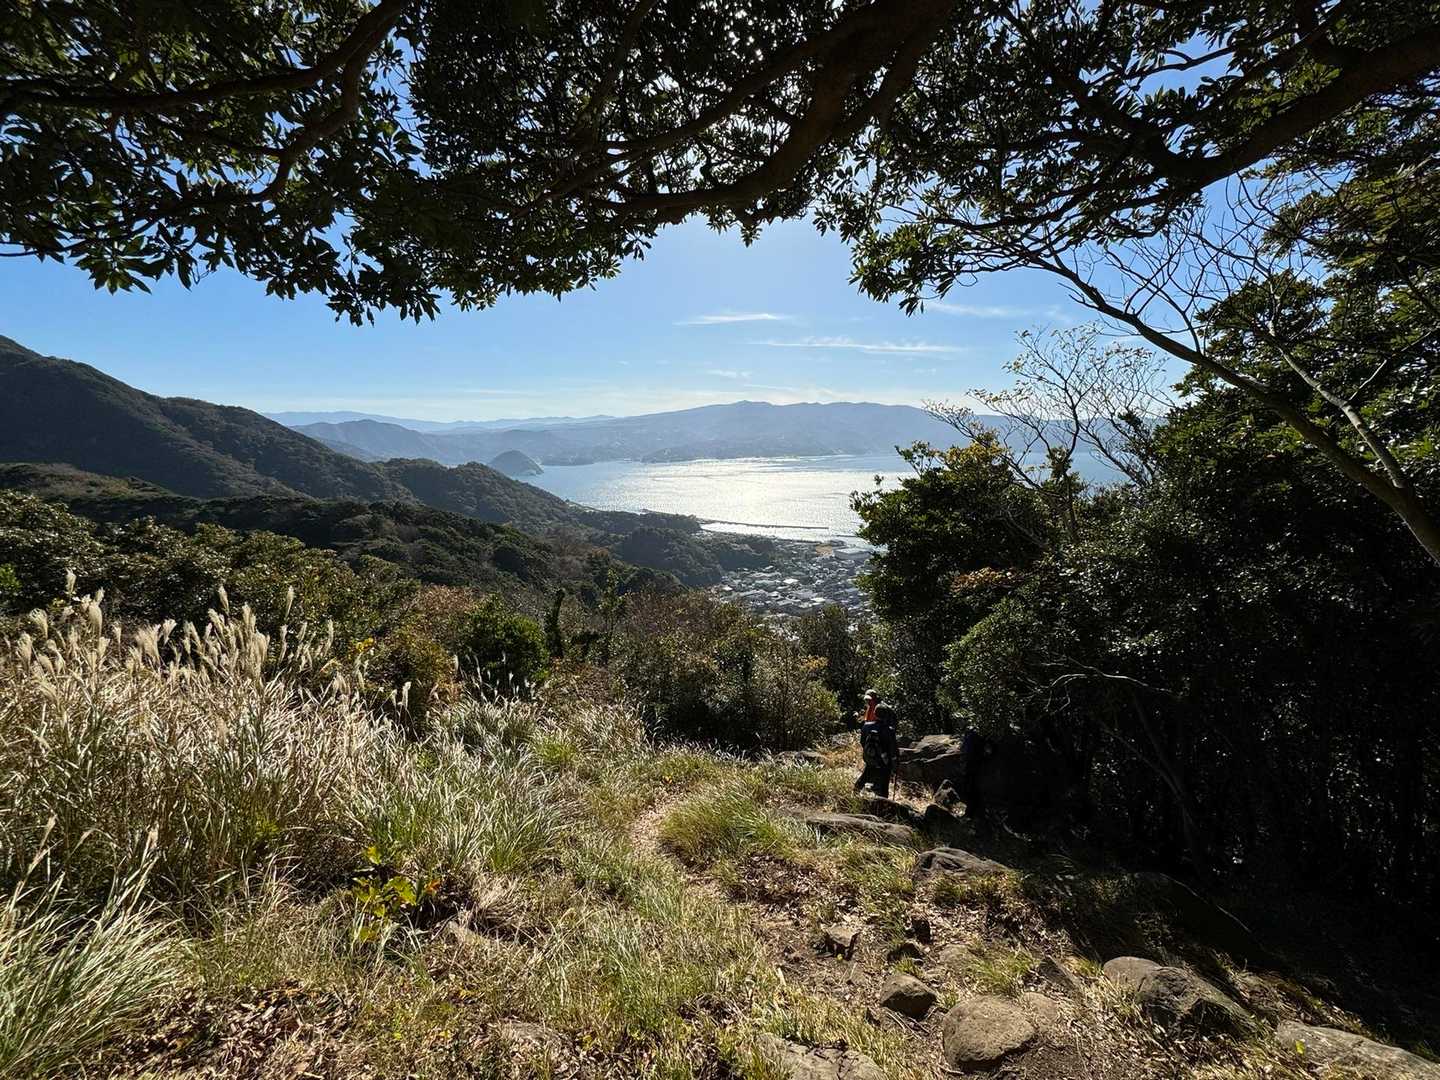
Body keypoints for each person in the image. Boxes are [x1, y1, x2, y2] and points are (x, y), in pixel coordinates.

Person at [855, 699, 899, 799]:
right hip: (884, 762)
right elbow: (892, 750)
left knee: (865, 777)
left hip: (870, 758)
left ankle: (853, 795)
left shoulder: (866, 726)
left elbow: (862, 742)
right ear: (886, 715)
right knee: (883, 786)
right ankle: (883, 802)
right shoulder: (889, 730)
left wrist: (871, 752)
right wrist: (895, 762)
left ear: (874, 713)